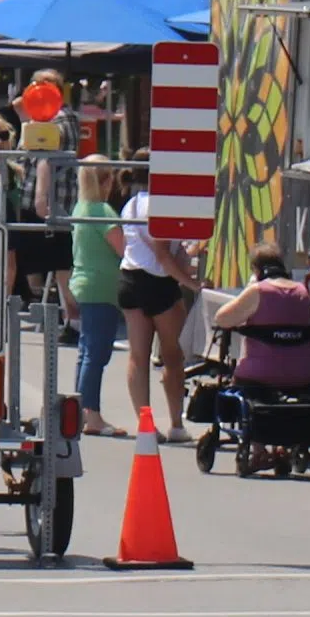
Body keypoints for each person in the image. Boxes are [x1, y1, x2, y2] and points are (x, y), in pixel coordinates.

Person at [116, 177, 196, 433]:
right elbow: (163, 255)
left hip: (129, 278)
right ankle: (176, 424)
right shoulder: (160, 205)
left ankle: (145, 424)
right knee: (173, 356)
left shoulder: (131, 204)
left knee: (138, 357)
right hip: (159, 283)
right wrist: (191, 283)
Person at [65, 157, 130, 435]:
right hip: (102, 287)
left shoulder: (81, 207)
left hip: (83, 283)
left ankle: (83, 411)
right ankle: (92, 415)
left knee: (86, 351)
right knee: (97, 353)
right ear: (107, 180)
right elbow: (122, 249)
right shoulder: (103, 211)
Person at [219, 249, 310, 391]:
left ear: (256, 271)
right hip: (302, 374)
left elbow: (221, 319)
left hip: (258, 376)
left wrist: (249, 288)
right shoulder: (301, 291)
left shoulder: (257, 291)